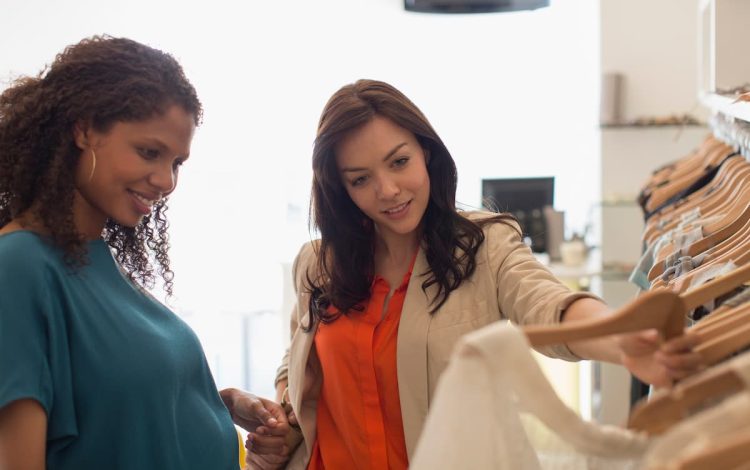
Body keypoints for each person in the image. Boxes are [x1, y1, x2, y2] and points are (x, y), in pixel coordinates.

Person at [248, 79, 703, 469]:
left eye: (399, 161)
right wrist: (284, 418)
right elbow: (298, 360)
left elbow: (548, 305)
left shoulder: (484, 248)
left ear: (427, 153)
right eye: (360, 179)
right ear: (340, 188)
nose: (388, 190)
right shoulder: (318, 265)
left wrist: (620, 339)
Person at [0, 36, 287, 469]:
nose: (166, 180)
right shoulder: (20, 265)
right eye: (149, 152)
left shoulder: (96, 259)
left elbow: (107, 409)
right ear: (84, 129)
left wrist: (219, 404)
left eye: (176, 162)